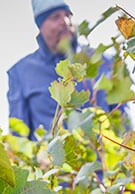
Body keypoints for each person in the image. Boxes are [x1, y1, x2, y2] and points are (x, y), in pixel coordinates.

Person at [7, 0, 115, 139]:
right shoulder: (21, 73)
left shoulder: (104, 61)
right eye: (55, 17)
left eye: (68, 15)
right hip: (51, 159)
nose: (64, 21)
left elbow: (125, 120)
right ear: (40, 26)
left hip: (104, 158)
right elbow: (19, 135)